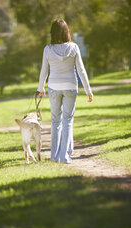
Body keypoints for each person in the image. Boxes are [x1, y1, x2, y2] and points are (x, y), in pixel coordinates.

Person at [37, 19, 93, 163]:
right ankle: (65, 157)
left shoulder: (48, 49)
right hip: (70, 87)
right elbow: (81, 69)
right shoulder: (74, 47)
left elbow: (44, 70)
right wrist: (88, 90)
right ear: (66, 32)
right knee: (67, 121)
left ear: (52, 32)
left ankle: (54, 157)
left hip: (54, 87)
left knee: (56, 121)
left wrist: (40, 87)